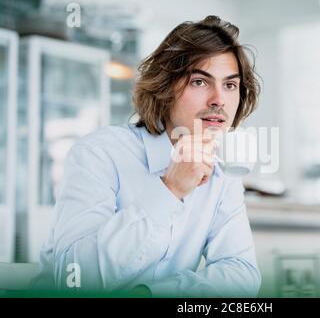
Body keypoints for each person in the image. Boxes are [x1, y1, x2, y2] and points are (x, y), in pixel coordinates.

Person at [31, 15, 261, 297]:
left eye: (230, 85)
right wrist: (170, 190)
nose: (218, 100)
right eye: (200, 82)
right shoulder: (99, 153)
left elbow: (241, 273)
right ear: (165, 88)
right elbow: (75, 278)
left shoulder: (223, 176)